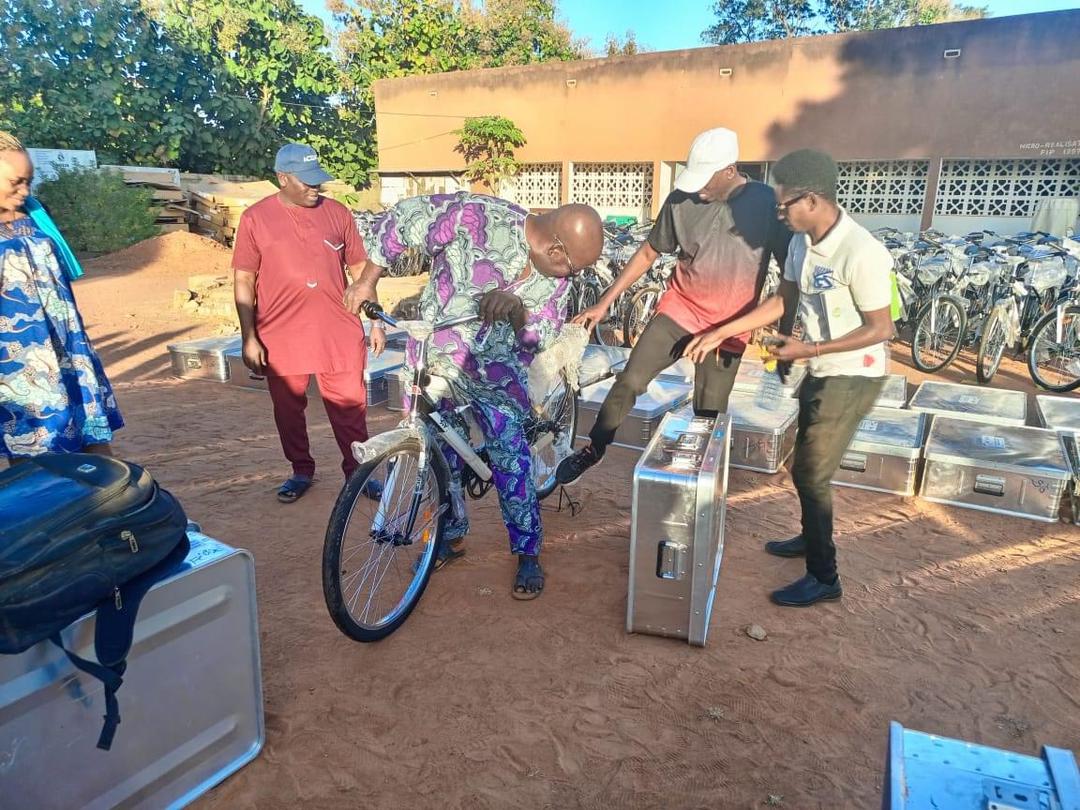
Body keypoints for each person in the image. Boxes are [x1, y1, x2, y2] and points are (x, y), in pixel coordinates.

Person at [344, 192, 604, 599]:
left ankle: (528, 551)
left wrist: (519, 312)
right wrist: (366, 281)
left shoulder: (557, 282)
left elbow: (545, 334)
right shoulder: (472, 216)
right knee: (439, 452)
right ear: (555, 249)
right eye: (574, 267)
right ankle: (450, 534)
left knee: (509, 458)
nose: (573, 276)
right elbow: (400, 223)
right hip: (435, 360)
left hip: (497, 379)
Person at [684, 149, 894, 607]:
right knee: (805, 468)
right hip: (818, 367)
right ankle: (808, 539)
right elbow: (785, 300)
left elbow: (882, 328)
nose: (779, 214)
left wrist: (810, 348)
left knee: (811, 472)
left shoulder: (861, 252)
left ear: (813, 200)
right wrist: (727, 330)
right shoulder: (801, 242)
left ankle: (825, 575)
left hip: (853, 376)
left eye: (784, 206)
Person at [556, 127, 791, 484]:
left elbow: (791, 280)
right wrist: (604, 303)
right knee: (630, 380)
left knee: (708, 412)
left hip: (728, 328)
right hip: (679, 310)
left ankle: (700, 487)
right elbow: (649, 252)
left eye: (706, 180)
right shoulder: (681, 200)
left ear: (730, 169)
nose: (698, 188)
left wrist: (783, 336)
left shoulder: (768, 205)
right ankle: (595, 447)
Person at [232, 143, 382, 503]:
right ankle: (301, 469)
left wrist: (376, 319)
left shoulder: (338, 214)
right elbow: (243, 280)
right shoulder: (256, 219)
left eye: (319, 181)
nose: (316, 188)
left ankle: (357, 471)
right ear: (282, 179)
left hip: (338, 330)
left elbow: (360, 271)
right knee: (288, 409)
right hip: (281, 334)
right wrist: (249, 337)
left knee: (350, 407)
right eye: (307, 182)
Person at [0, 131, 124, 463]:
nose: (25, 190)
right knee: (33, 450)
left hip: (67, 345)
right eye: (16, 182)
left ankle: (112, 507)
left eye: (29, 181)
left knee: (94, 440)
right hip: (15, 361)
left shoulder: (37, 214)